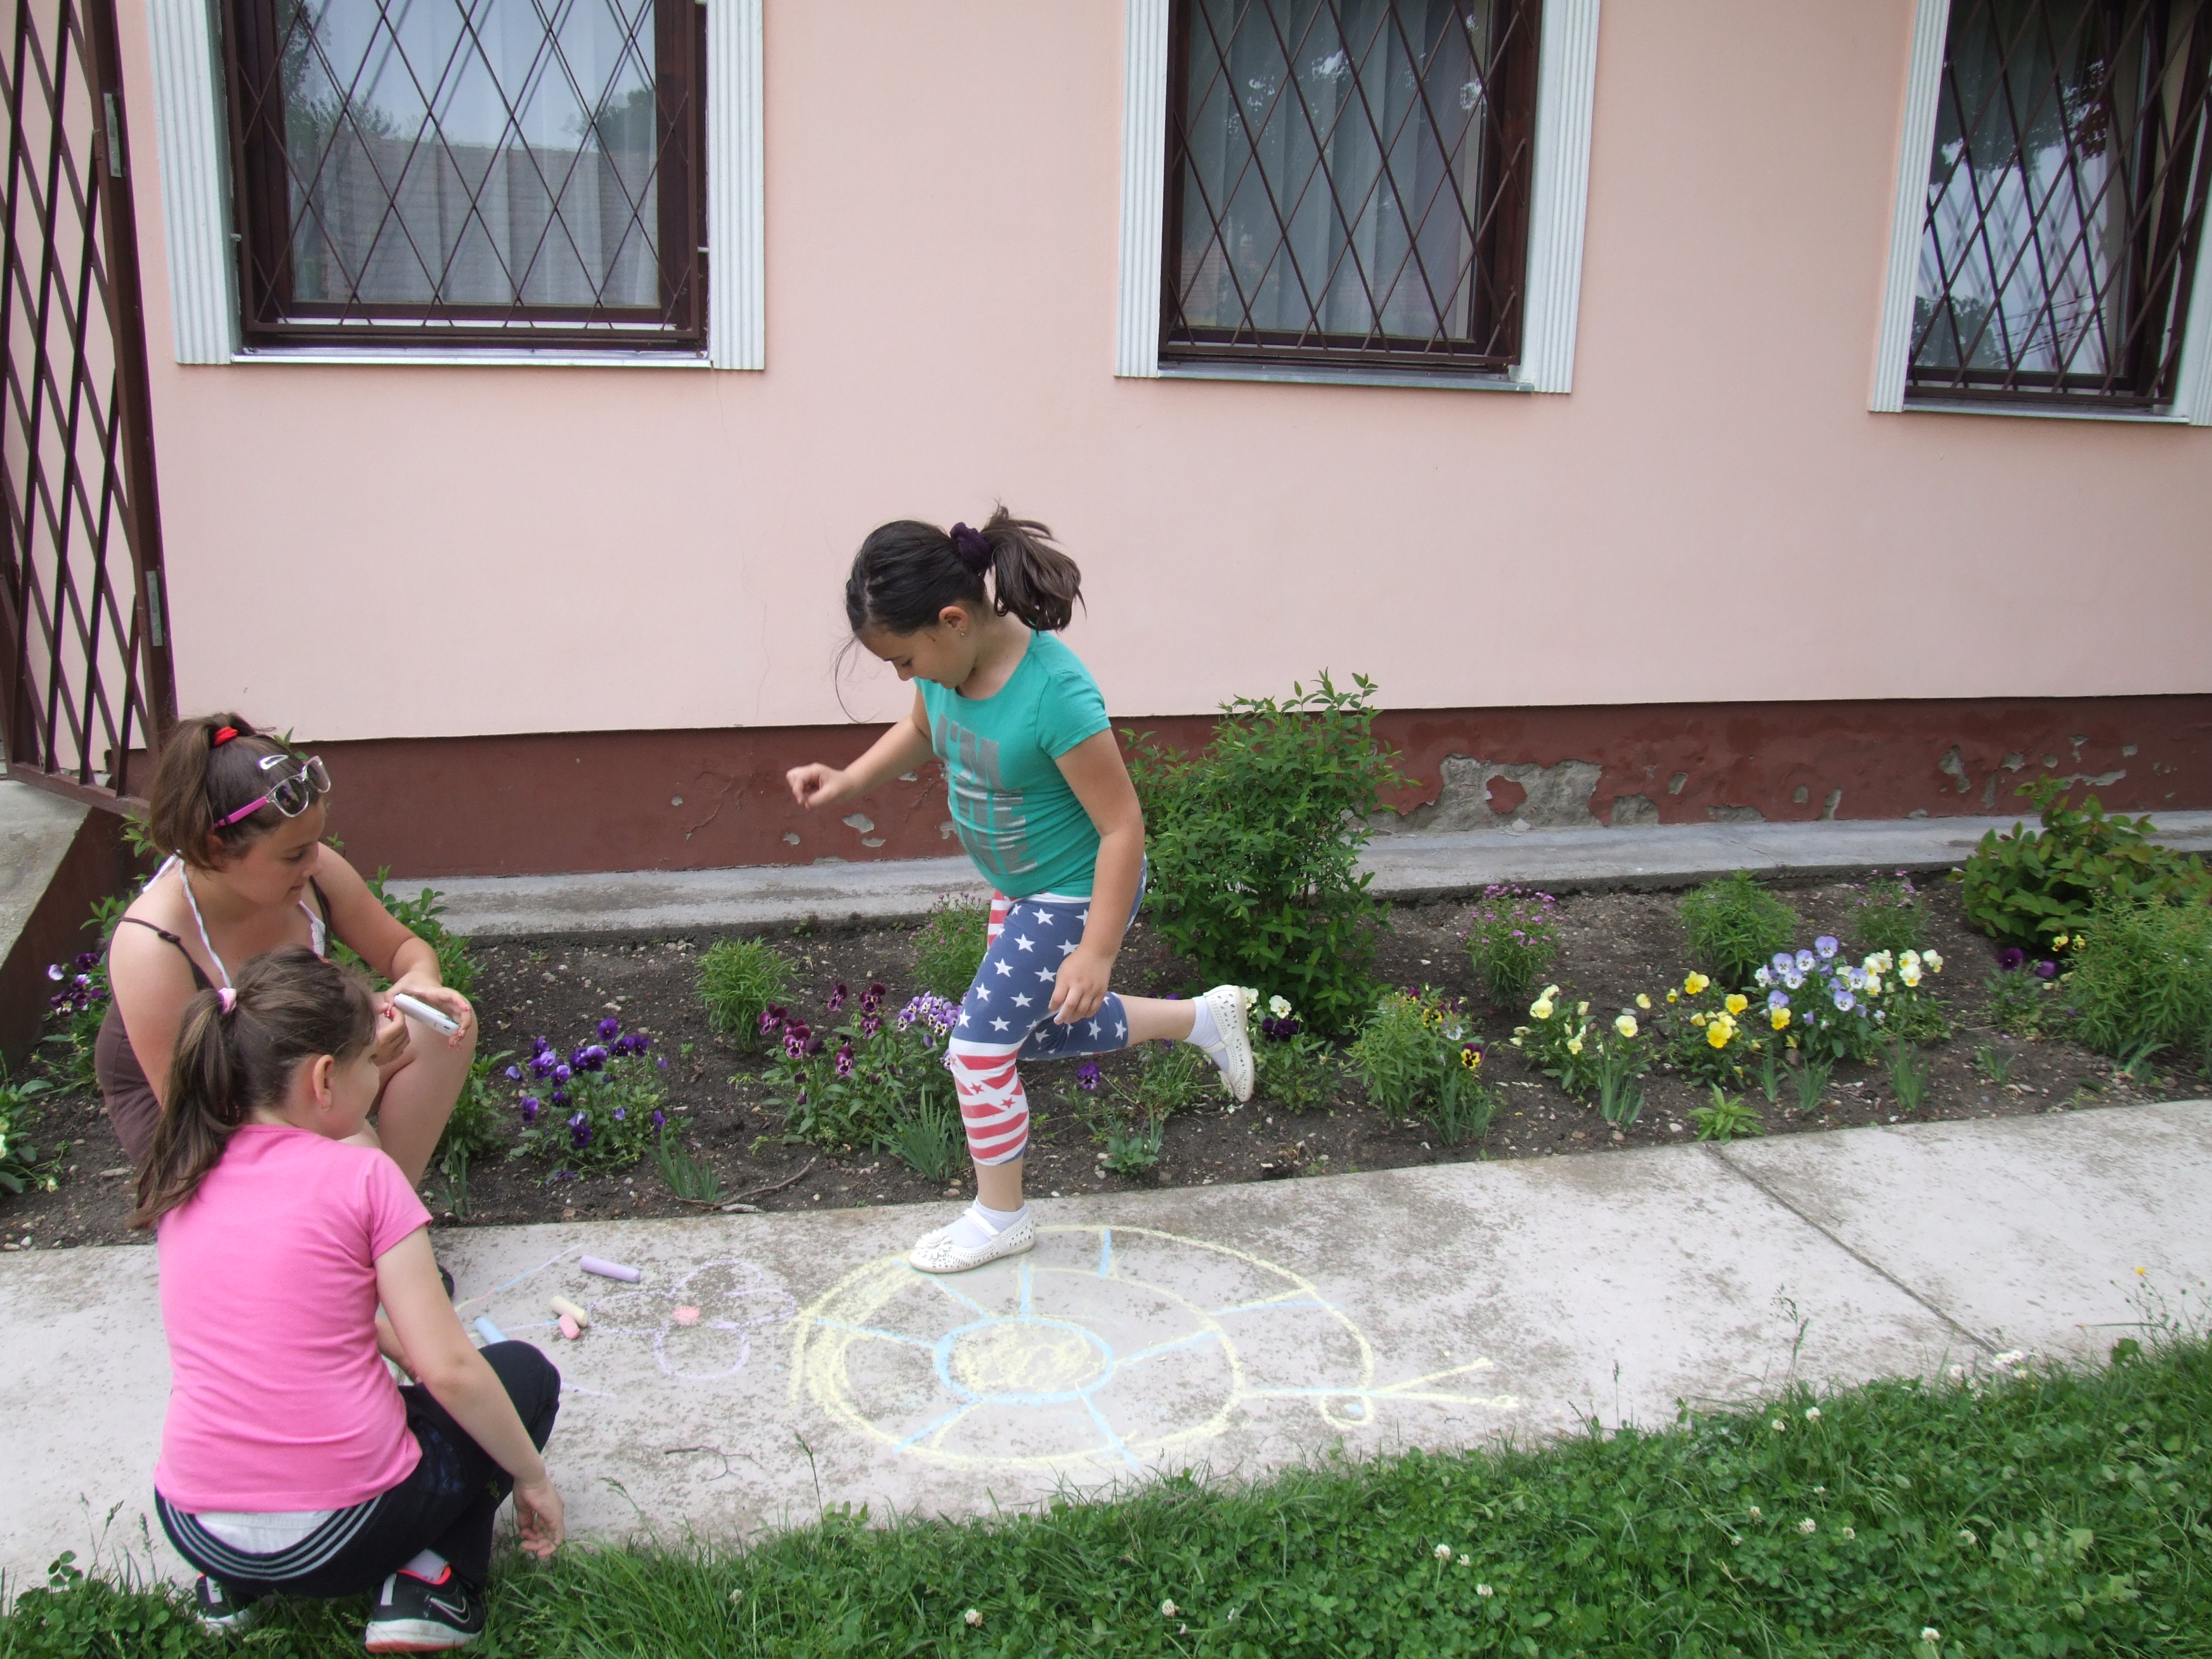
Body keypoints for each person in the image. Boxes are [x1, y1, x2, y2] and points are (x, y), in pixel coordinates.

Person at [787, 507, 1255, 1274]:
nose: (905, 677)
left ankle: (1000, 1217)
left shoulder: (1053, 693)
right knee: (1028, 1035)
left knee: (976, 1051)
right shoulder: (944, 673)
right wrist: (849, 781)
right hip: (1022, 889)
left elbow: (1122, 828)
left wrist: (1096, 951)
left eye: (904, 659)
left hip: (1075, 890)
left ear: (952, 621)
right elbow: (920, 731)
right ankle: (1202, 1019)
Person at [139, 946, 563, 1649]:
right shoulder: (364, 1178)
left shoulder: (187, 1172)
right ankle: (429, 1585)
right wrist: (532, 1474)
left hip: (193, 1523)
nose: (381, 1074)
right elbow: (452, 1371)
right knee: (521, 1377)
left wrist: (403, 1354)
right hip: (337, 1537)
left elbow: (311, 1321)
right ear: (324, 1079)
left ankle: (229, 1586)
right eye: (373, 1062)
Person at [98, 715, 475, 1185]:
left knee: (438, 1030)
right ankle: (355, 1214)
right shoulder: (153, 944)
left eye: (314, 843)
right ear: (216, 851)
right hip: (201, 1120)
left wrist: (418, 978)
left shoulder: (312, 873)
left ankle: (390, 1209)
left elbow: (402, 947)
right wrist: (351, 1061)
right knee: (350, 1152)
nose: (315, 862)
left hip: (310, 1072)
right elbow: (199, 1109)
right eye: (294, 854)